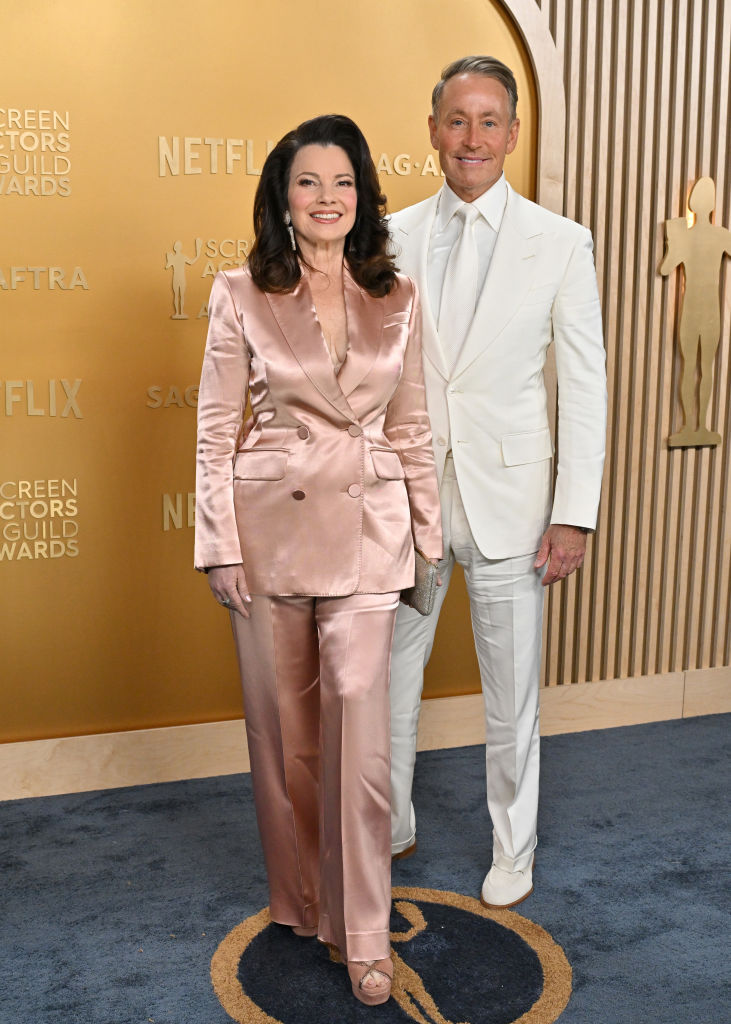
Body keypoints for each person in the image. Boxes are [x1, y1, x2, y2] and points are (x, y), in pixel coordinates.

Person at [194, 114, 441, 1006]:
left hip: (369, 534)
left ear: (362, 196)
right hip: (268, 532)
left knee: (360, 744)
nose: (327, 198)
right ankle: (302, 900)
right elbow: (217, 429)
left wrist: (426, 536)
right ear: (281, 199)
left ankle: (365, 930)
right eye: (308, 183)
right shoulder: (239, 292)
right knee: (285, 738)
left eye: (342, 182)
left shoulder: (397, 294)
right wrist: (219, 546)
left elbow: (410, 426)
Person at [388, 56, 607, 909]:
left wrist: (574, 514)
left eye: (488, 121)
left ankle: (511, 848)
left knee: (511, 695)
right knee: (388, 683)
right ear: (433, 128)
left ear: (513, 134)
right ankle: (390, 821)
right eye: (455, 120)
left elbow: (585, 387)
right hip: (408, 505)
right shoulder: (391, 235)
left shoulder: (561, 243)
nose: (470, 137)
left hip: (514, 508)